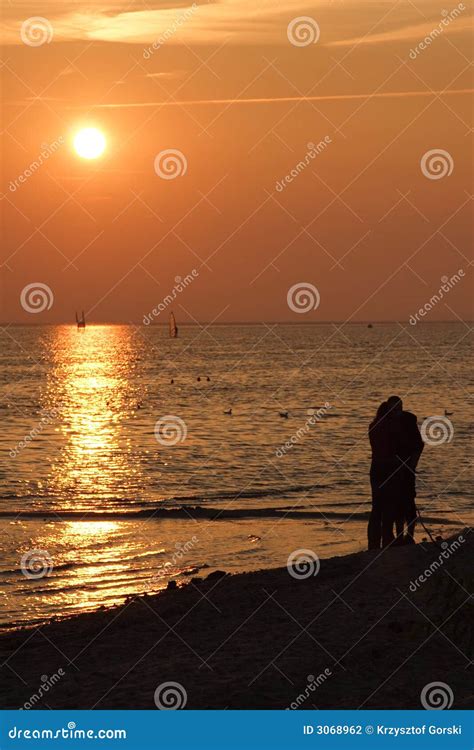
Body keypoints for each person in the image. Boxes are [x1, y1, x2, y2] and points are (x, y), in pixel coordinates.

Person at [386, 395, 424, 544]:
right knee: (396, 502)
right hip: (393, 469)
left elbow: (419, 444)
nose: (396, 412)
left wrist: (413, 463)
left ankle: (410, 534)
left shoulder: (409, 420)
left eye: (398, 409)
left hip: (407, 468)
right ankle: (399, 534)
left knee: (409, 501)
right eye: (393, 409)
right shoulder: (387, 422)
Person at [367, 401, 399, 549]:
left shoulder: (372, 426)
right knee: (388, 505)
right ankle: (387, 538)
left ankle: (373, 541)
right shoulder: (391, 428)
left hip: (375, 467)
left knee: (376, 506)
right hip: (388, 467)